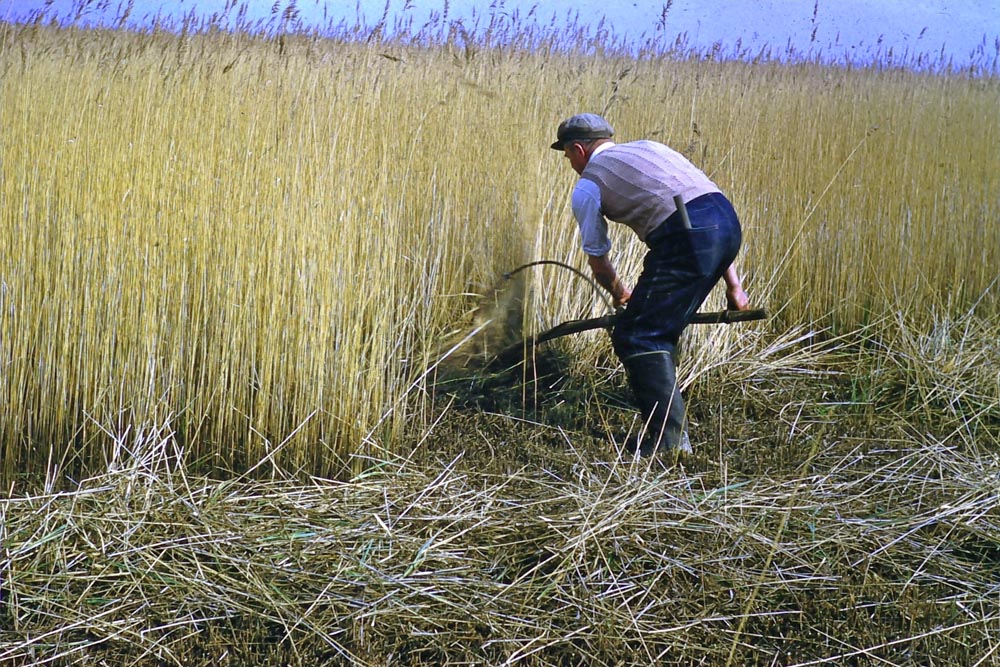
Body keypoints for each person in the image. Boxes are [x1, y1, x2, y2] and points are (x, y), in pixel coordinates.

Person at [551, 113, 750, 456]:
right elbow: (703, 209)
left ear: (579, 149)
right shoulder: (651, 148)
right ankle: (670, 428)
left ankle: (669, 446)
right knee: (659, 325)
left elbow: (597, 260)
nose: (569, 162)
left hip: (688, 237)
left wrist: (621, 295)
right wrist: (734, 286)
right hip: (727, 224)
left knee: (639, 335)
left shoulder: (588, 186)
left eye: (567, 155)